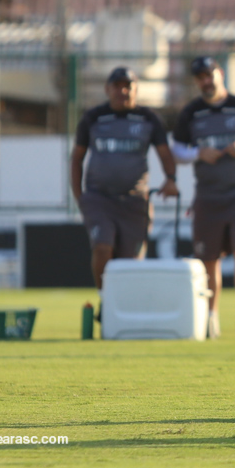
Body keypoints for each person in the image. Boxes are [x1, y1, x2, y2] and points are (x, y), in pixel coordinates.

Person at [172, 56, 235, 339]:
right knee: (208, 258)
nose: (206, 81)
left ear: (220, 73)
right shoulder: (191, 112)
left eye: (210, 74)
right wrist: (197, 153)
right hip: (208, 194)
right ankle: (210, 318)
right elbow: (176, 150)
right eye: (200, 77)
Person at [70, 67, 178, 315]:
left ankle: (126, 308)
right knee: (102, 247)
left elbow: (164, 153)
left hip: (134, 201)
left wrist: (171, 179)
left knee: (131, 262)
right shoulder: (93, 118)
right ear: (107, 89)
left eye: (128, 86)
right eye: (117, 86)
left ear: (137, 90)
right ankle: (105, 301)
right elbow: (76, 158)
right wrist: (80, 196)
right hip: (99, 198)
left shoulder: (149, 119)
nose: (123, 91)